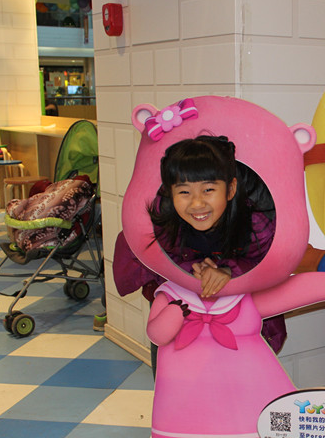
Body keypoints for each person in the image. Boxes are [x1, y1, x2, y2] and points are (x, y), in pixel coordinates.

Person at [112, 135, 286, 376]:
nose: (196, 203)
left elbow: (272, 267)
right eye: (184, 191)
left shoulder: (255, 225)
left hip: (238, 327)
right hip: (179, 324)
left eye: (208, 190)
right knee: (174, 387)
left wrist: (230, 271)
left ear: (230, 189)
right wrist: (190, 272)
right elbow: (135, 260)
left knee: (238, 388)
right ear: (170, 192)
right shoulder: (158, 224)